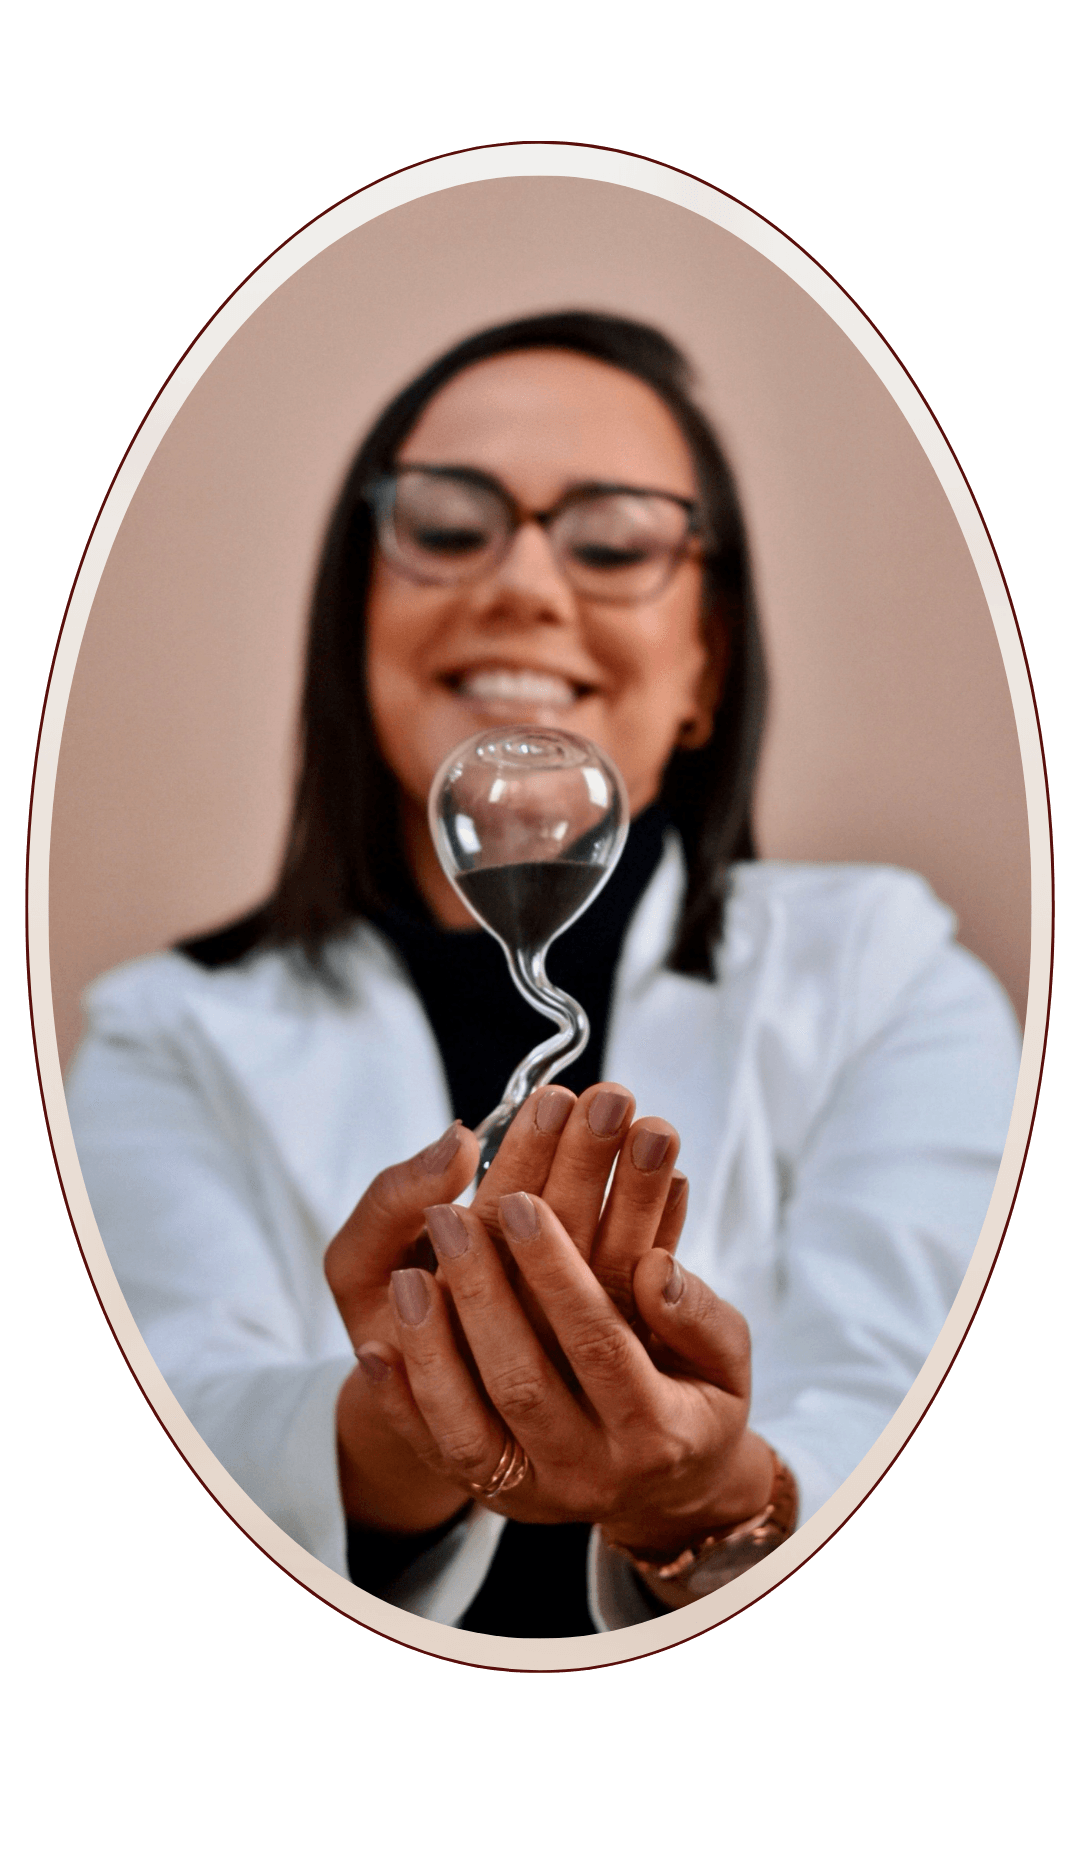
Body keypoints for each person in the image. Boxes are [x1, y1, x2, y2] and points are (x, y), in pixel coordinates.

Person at [65, 312, 1021, 1638]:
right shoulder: (164, 1035)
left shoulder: (884, 974)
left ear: (706, 666)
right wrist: (392, 1433)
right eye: (448, 528)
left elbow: (922, 1426)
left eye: (613, 542)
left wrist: (708, 1501)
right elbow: (161, 1452)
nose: (522, 584)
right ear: (356, 626)